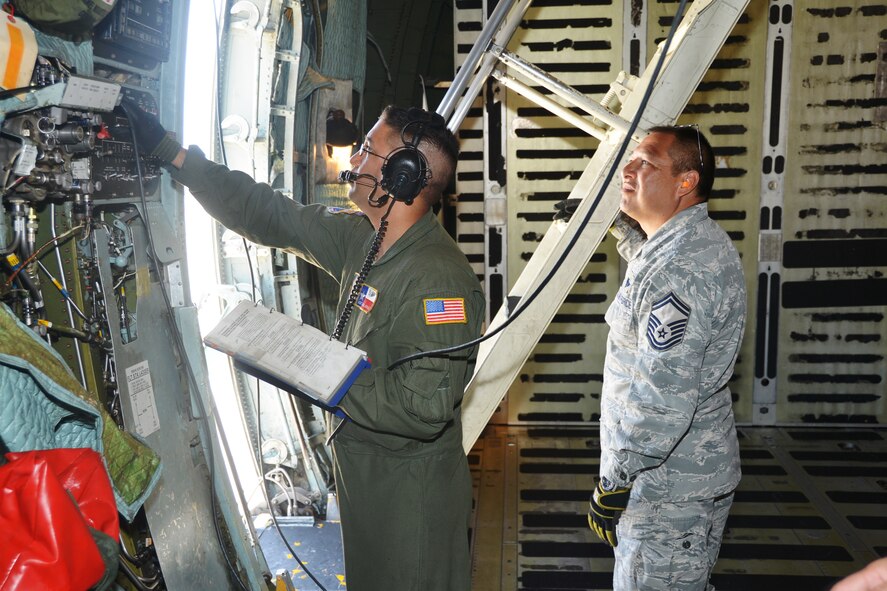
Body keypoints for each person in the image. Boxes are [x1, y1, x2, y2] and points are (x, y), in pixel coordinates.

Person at [125, 102, 485, 591]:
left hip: (410, 500)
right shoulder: (366, 238)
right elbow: (273, 216)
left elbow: (423, 408)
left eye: (366, 151)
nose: (352, 162)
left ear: (404, 173)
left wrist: (323, 369)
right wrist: (174, 155)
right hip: (368, 483)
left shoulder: (440, 281)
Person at [587, 126, 746, 591]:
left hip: (666, 491)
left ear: (685, 182)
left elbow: (662, 398)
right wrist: (620, 228)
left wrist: (614, 481)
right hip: (680, 480)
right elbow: (650, 280)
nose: (629, 169)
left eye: (647, 163)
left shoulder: (680, 269)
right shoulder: (682, 246)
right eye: (631, 160)